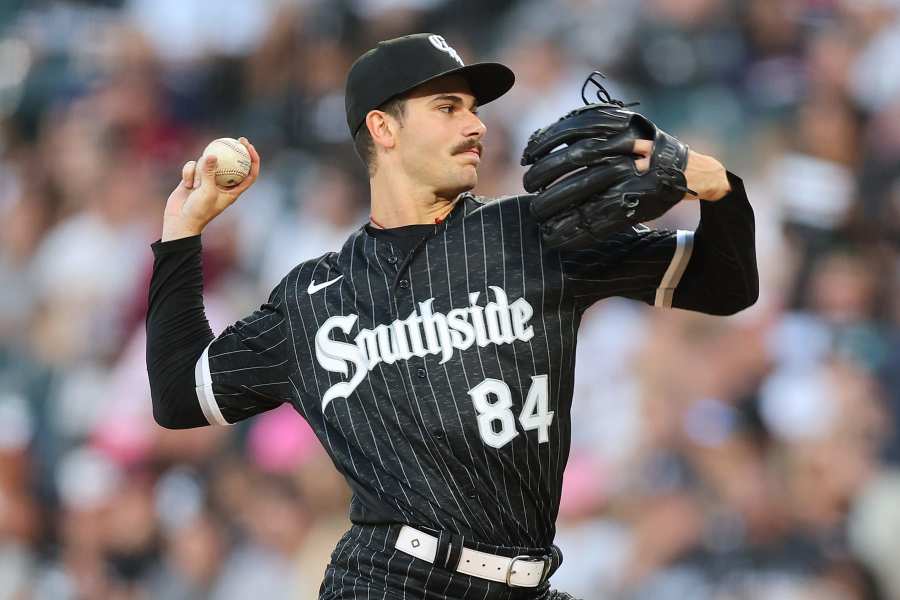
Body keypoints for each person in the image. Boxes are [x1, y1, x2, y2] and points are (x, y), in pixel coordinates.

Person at [146, 33, 758, 599]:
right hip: (391, 580)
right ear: (383, 128)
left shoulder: (533, 233)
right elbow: (180, 395)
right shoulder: (316, 296)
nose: (475, 125)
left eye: (474, 108)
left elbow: (726, 285)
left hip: (526, 581)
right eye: (447, 107)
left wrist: (712, 183)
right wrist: (182, 232)